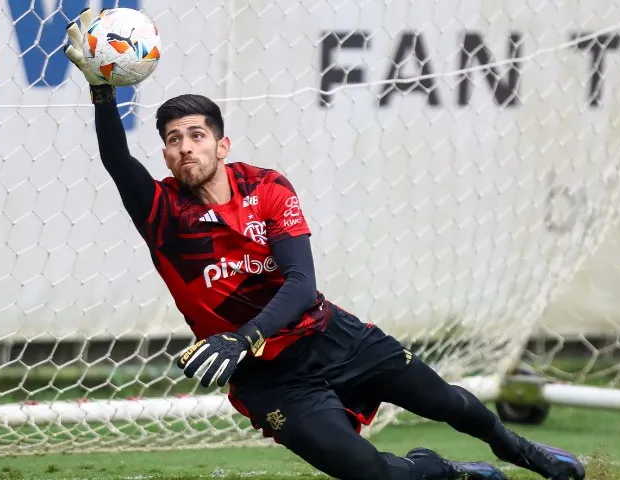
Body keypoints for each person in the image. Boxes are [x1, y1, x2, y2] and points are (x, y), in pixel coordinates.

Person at [64, 8, 585, 480]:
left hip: (331, 335)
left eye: (197, 135)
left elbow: (300, 283)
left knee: (450, 402)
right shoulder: (162, 214)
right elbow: (116, 160)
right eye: (174, 139)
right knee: (369, 473)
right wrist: (102, 90)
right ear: (165, 154)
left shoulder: (266, 187)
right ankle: (443, 472)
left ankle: (522, 451)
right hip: (270, 379)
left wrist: (241, 337)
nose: (185, 147)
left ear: (222, 145)